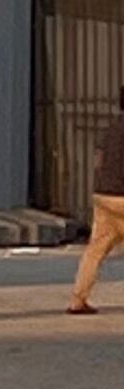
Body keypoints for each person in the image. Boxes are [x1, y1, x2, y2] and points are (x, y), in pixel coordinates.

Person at [69, 108, 124, 314]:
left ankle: (78, 300)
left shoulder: (109, 129)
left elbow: (99, 162)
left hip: (104, 196)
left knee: (95, 251)